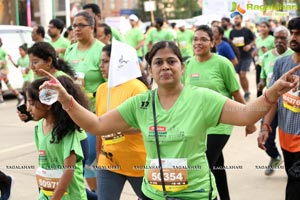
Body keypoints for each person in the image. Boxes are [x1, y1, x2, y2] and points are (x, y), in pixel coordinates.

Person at [39, 40, 299, 200]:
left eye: (172, 61)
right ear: (149, 70)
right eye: (158, 62)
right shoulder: (141, 103)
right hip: (155, 194)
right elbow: (96, 125)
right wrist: (67, 101)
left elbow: (245, 115)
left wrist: (272, 92)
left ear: (182, 67)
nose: (165, 66)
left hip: (196, 193)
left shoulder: (202, 98)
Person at [184, 25, 256, 200]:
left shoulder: (222, 63)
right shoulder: (187, 64)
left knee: (202, 168)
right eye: (195, 39)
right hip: (196, 125)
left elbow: (235, 93)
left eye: (203, 39)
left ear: (213, 42)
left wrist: (249, 120)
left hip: (219, 124)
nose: (198, 42)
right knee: (217, 167)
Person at [95, 44, 147, 199]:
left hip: (138, 161)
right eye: (101, 61)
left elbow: (144, 125)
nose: (101, 65)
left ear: (118, 62)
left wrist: (116, 127)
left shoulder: (137, 89)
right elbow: (99, 125)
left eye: (105, 61)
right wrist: (99, 154)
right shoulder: (102, 89)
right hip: (109, 160)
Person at [258, 17, 300, 200]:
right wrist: (265, 126)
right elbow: (273, 99)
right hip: (286, 138)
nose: (294, 38)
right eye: (294, 33)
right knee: (292, 178)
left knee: (294, 189)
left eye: (299, 34)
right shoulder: (281, 64)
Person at [26, 76, 88, 200]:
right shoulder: (39, 127)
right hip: (47, 193)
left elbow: (69, 170)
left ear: (48, 104)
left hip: (71, 196)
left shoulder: (66, 131)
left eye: (32, 103)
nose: (28, 108)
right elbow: (44, 162)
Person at [64, 11, 105, 194]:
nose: (76, 29)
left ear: (92, 27)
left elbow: (109, 83)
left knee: (89, 158)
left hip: (95, 114)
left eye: (81, 25)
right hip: (72, 113)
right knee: (76, 160)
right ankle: (91, 193)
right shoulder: (70, 50)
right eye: (74, 26)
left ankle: (97, 194)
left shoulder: (101, 50)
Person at [257, 26, 293, 176]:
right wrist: (261, 83)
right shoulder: (266, 57)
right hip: (271, 104)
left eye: (282, 38)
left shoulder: (294, 56)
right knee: (266, 137)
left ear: (289, 39)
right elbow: (263, 76)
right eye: (277, 38)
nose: (279, 41)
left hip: (289, 105)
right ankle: (275, 157)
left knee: (292, 140)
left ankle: (293, 167)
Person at [230, 13, 255, 102]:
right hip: (237, 56)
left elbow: (254, 40)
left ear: (241, 19)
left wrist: (249, 46)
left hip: (246, 55)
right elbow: (230, 42)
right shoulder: (232, 32)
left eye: (237, 18)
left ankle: (247, 91)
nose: (236, 20)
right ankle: (246, 92)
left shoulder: (247, 30)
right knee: (240, 75)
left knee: (243, 73)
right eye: (234, 19)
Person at [0, 37, 24, 105]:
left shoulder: (1, 51)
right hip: (2, 71)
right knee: (8, 85)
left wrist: (1, 64)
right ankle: (19, 96)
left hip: (4, 70)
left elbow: (4, 61)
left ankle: (1, 99)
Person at [253, 21, 274, 97]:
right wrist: (255, 52)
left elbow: (275, 52)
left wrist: (267, 50)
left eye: (264, 27)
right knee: (258, 83)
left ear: (269, 28)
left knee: (269, 82)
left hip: (269, 64)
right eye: (261, 27)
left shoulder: (272, 39)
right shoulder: (258, 39)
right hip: (259, 63)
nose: (262, 28)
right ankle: (259, 99)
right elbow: (256, 51)